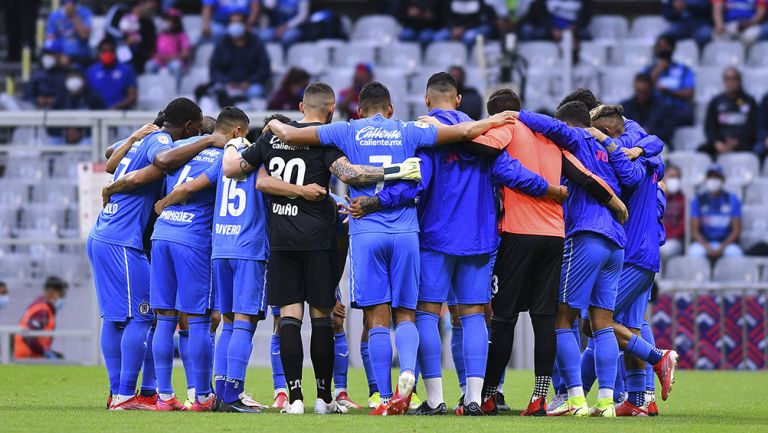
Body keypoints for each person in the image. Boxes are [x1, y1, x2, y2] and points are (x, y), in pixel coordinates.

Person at [262, 81, 519, 416]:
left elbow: (294, 136)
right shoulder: (409, 130)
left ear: (359, 109)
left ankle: (384, 397)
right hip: (406, 232)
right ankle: (410, 373)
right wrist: (497, 119)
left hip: (366, 231)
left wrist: (274, 124)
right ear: (391, 108)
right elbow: (464, 131)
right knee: (408, 314)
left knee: (376, 317)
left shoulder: (347, 130)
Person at [344, 76, 569, 417]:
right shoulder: (483, 132)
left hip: (435, 238)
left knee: (427, 314)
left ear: (427, 100)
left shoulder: (429, 135)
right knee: (474, 315)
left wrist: (375, 204)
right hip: (479, 239)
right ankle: (474, 398)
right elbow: (510, 171)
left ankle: (435, 399)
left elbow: (413, 184)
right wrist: (548, 189)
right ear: (459, 100)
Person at [222, 83, 425, 415]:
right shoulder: (327, 140)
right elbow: (353, 174)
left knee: (288, 317)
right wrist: (398, 170)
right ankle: (323, 397)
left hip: (281, 237)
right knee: (322, 318)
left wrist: (231, 143)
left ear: (302, 106)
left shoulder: (272, 137)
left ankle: (294, 398)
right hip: (318, 238)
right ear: (331, 110)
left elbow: (233, 169)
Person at [88, 98, 218, 411]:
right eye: (195, 131)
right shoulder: (160, 140)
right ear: (188, 127)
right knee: (146, 314)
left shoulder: (145, 136)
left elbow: (110, 157)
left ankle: (131, 392)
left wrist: (133, 137)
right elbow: (160, 162)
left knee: (117, 317)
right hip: (123, 239)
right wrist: (209, 140)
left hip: (105, 234)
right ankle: (124, 396)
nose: (195, 137)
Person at [586, 105, 678, 416]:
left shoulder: (623, 150)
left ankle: (658, 358)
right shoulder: (643, 147)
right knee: (632, 326)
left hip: (634, 251)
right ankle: (641, 400)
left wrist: (614, 147)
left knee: (594, 322)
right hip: (646, 250)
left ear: (609, 131)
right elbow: (655, 143)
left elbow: (648, 143)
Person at [209, 13, 272, 102]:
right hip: (227, 85)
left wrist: (249, 81)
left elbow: (264, 68)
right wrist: (228, 81)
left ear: (245, 25)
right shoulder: (222, 44)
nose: (235, 25)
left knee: (256, 91)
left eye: (238, 22)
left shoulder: (256, 43)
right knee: (217, 92)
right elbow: (214, 70)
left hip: (250, 85)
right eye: (232, 22)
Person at [700, 67, 758, 157]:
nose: (730, 82)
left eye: (733, 78)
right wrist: (716, 143)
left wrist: (737, 142)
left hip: (742, 143)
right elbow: (709, 128)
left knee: (755, 149)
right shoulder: (716, 102)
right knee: (702, 151)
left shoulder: (749, 101)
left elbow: (753, 127)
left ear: (739, 81)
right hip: (721, 142)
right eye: (727, 79)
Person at [689, 164, 744, 259]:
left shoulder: (732, 199)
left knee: (735, 253)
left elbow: (736, 230)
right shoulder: (698, 200)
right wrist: (707, 247)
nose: (713, 180)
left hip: (725, 243)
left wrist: (722, 248)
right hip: (704, 243)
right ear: (706, 180)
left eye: (716, 177)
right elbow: (694, 231)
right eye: (710, 177)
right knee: (694, 253)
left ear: (723, 180)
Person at [642, 36, 695, 128]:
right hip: (652, 109)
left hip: (677, 110)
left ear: (672, 48)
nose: (662, 49)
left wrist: (669, 92)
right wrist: (657, 71)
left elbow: (689, 93)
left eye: (665, 46)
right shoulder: (648, 70)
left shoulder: (684, 70)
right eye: (659, 46)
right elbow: (642, 88)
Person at [14, 277, 68, 360]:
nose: (62, 299)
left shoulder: (40, 306)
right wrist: (44, 352)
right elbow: (29, 336)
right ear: (51, 292)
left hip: (29, 355)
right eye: (61, 295)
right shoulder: (42, 310)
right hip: (28, 357)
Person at [621, 73, 677, 145]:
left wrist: (648, 133)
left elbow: (668, 132)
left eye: (644, 92)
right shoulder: (625, 107)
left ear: (651, 89)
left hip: (656, 146)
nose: (641, 95)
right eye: (639, 91)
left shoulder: (663, 107)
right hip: (632, 146)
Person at [105, 0, 158, 74]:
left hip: (137, 53)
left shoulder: (148, 21)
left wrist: (137, 39)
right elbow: (109, 27)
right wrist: (125, 38)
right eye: (141, 5)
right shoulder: (120, 9)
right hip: (117, 46)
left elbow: (149, 39)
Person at [86, 39, 138, 110]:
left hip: (120, 112)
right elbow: (87, 96)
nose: (108, 54)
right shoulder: (91, 71)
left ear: (115, 53)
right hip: (96, 112)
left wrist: (117, 107)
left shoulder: (127, 70)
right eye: (104, 51)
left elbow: (132, 97)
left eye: (111, 51)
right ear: (99, 53)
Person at [145, 8, 190, 80]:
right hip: (160, 61)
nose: (167, 22)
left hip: (175, 61)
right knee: (149, 65)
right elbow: (153, 51)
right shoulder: (159, 35)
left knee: (176, 66)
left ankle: (176, 89)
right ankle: (153, 87)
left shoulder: (181, 36)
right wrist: (157, 56)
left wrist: (171, 58)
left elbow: (185, 54)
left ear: (176, 23)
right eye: (166, 20)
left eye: (170, 20)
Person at [518, 0, 593, 42]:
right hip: (549, 31)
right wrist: (552, 30)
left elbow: (585, 17)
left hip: (573, 32)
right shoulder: (541, 2)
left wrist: (571, 30)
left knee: (586, 34)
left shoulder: (584, 2)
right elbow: (539, 15)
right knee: (527, 31)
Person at [44, 0, 92, 65]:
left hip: (81, 56)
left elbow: (85, 36)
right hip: (61, 56)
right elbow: (50, 39)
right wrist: (59, 56)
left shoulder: (86, 13)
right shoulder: (55, 15)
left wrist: (73, 15)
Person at [660, 165, 686, 259]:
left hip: (673, 240)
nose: (674, 180)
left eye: (677, 177)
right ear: (664, 177)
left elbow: (684, 225)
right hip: (655, 238)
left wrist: (667, 235)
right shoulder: (655, 197)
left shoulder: (683, 200)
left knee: (664, 249)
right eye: (671, 177)